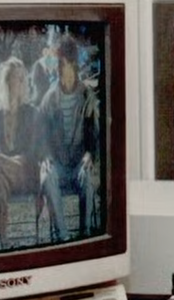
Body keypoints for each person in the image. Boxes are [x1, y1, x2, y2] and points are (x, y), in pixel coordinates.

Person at [0, 57, 43, 246]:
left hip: (26, 174)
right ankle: (4, 243)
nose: (17, 84)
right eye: (12, 78)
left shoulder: (32, 113)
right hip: (2, 176)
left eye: (20, 79)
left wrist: (3, 161)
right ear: (4, 82)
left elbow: (35, 153)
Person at [37, 35, 99, 241]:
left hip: (79, 163)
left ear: (75, 66)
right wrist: (45, 156)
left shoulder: (87, 96)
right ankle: (63, 237)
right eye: (61, 65)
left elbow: (93, 134)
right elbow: (41, 136)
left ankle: (85, 233)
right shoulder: (49, 99)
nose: (65, 70)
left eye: (69, 64)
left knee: (88, 175)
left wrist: (90, 154)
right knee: (47, 176)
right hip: (59, 165)